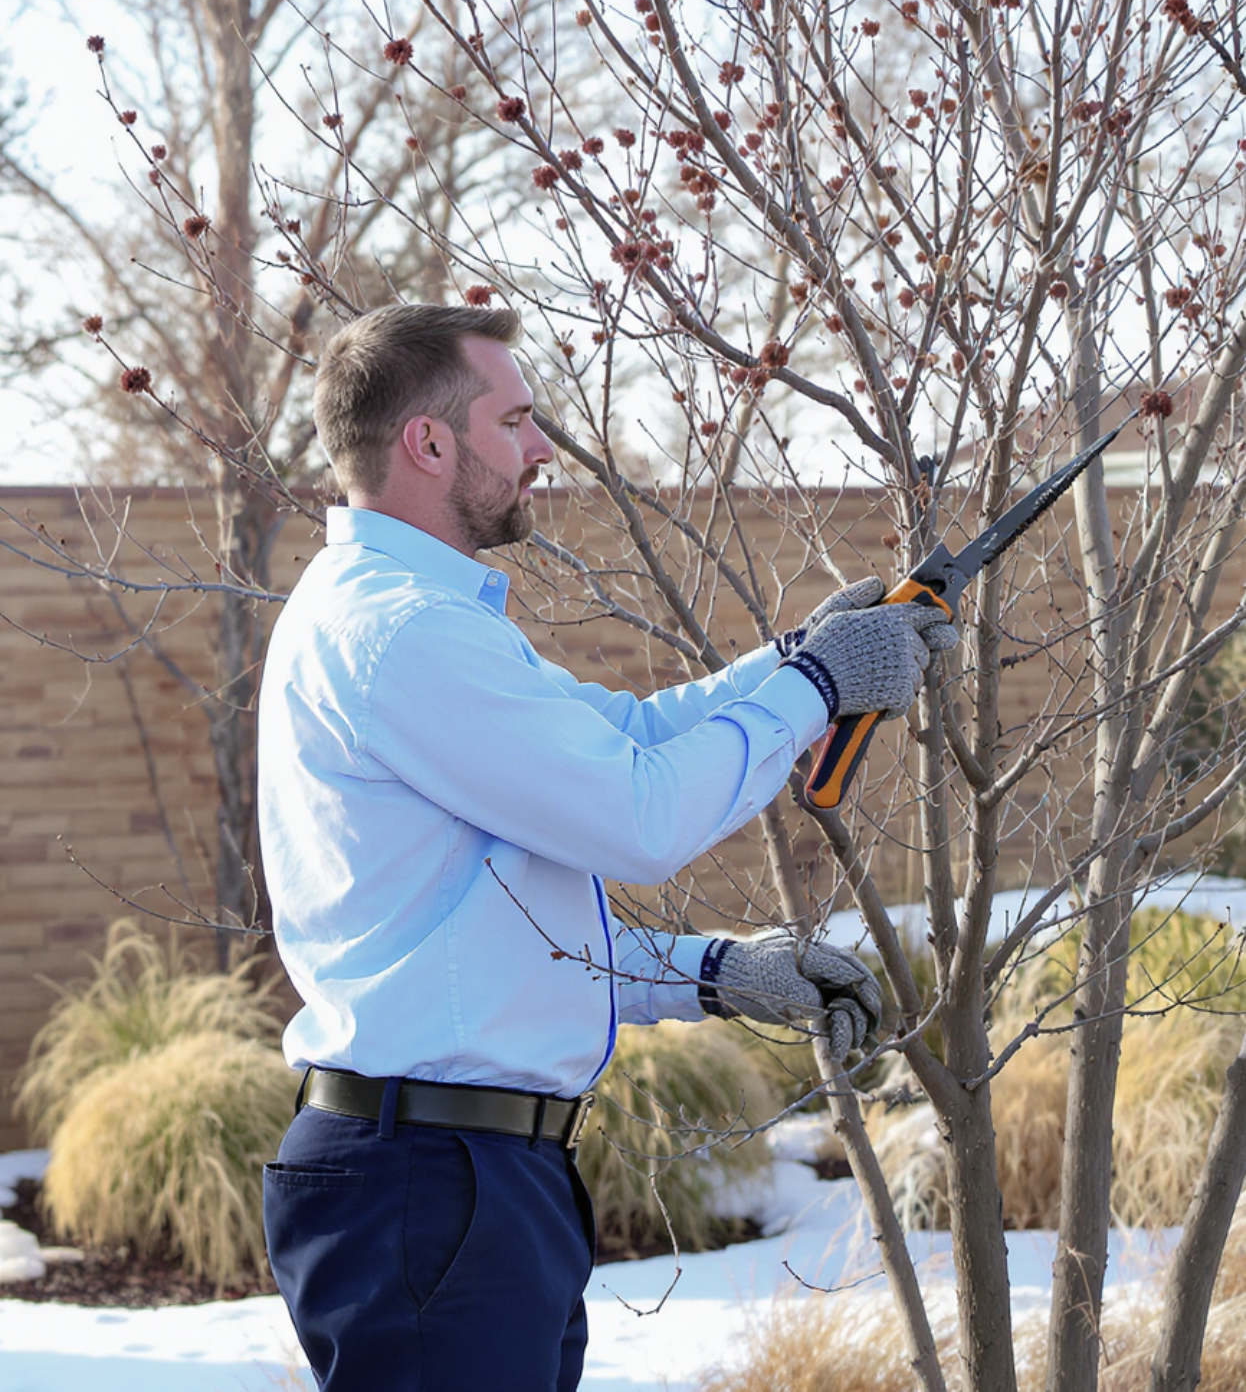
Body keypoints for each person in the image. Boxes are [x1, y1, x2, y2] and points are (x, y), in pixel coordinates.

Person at [257, 303, 956, 1391]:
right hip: (434, 1181)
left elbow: (604, 772)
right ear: (428, 443)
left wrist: (791, 666)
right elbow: (638, 816)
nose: (543, 448)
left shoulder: (415, 618)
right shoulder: (403, 633)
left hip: (458, 1174)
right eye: (518, 420)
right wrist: (819, 686)